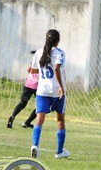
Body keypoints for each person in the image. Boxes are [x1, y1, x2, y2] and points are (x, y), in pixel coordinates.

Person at [29, 29, 70, 159]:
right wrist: (62, 87)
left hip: (42, 90)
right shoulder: (60, 53)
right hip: (57, 91)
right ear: (57, 41)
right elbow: (57, 68)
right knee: (60, 120)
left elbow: (34, 69)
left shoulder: (39, 52)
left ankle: (35, 146)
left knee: (39, 119)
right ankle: (59, 152)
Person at [7, 51, 38, 129]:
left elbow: (29, 69)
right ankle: (27, 122)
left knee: (22, 103)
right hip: (37, 85)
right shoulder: (44, 61)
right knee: (41, 106)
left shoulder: (34, 60)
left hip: (28, 83)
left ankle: (12, 116)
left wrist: (30, 77)